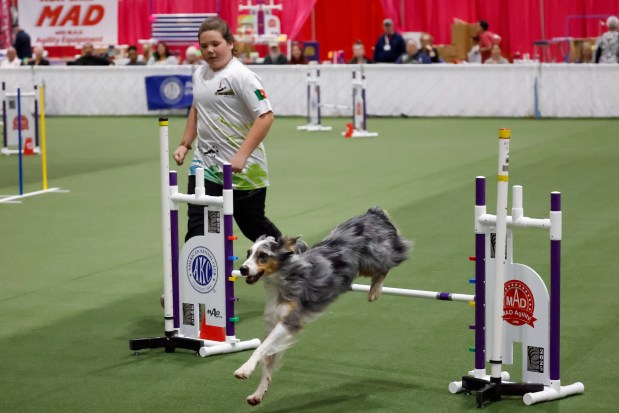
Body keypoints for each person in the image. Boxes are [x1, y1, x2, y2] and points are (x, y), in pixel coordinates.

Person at [174, 16, 281, 244]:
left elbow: (265, 116)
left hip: (244, 169)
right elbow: (197, 108)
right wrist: (185, 144)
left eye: (216, 44)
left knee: (252, 225)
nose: (210, 50)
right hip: (205, 164)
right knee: (200, 225)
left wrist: (242, 154)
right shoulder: (199, 75)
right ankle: (203, 276)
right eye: (204, 46)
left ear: (230, 43)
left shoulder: (242, 76)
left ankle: (294, 258)